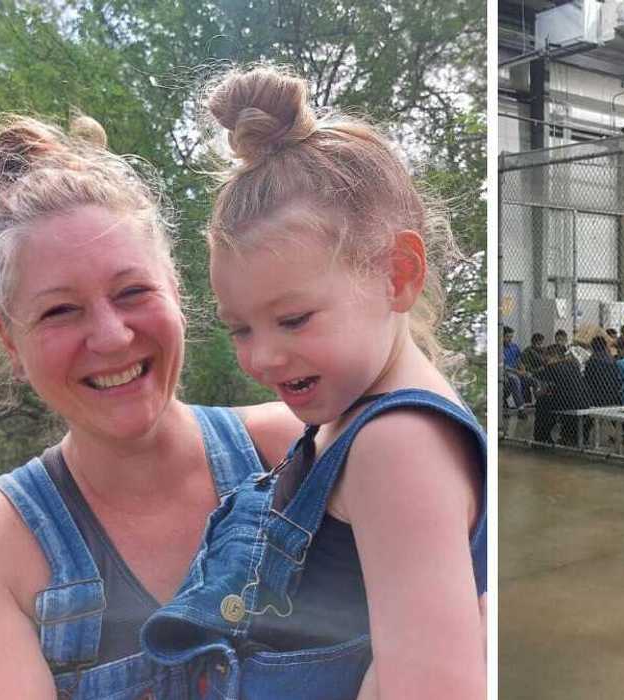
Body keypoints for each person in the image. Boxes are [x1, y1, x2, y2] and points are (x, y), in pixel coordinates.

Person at [0, 114, 308, 698]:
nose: (112, 337)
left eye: (132, 292)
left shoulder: (297, 449)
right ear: (9, 340)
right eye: (59, 311)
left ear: (176, 290)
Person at [137, 66, 486, 697]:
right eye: (240, 329)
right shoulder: (349, 419)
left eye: (293, 319)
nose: (264, 358)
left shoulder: (398, 445)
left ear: (396, 276)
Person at [584, 335, 623, 407]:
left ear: (593, 347)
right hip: (613, 397)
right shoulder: (612, 360)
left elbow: (587, 381)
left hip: (597, 398)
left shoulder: (592, 362)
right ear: (605, 346)